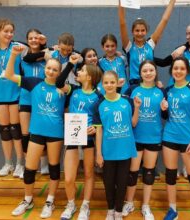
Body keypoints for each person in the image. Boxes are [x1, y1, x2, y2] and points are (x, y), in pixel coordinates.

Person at [6, 45, 69, 218]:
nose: (51, 71)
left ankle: (50, 201)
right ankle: (27, 199)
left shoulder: (65, 89)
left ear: (59, 72)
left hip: (55, 133)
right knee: (30, 168)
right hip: (37, 132)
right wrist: (13, 55)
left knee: (54, 168)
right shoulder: (34, 83)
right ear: (45, 68)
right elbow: (10, 75)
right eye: (49, 68)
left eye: (55, 70)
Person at [57, 55, 103, 220]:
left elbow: (101, 120)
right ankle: (71, 204)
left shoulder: (98, 96)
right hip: (72, 136)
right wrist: (70, 63)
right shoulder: (74, 90)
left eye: (82, 70)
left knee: (89, 174)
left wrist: (94, 128)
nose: (79, 72)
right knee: (69, 177)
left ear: (89, 76)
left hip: (88, 139)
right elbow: (58, 82)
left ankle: (85, 205)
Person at [161, 57, 190, 220]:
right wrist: (163, 109)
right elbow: (165, 116)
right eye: (175, 68)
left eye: (181, 68)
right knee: (170, 175)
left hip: (188, 140)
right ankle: (172, 210)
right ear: (171, 71)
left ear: (187, 71)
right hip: (169, 137)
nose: (178, 71)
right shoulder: (168, 91)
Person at [122, 60, 166, 220]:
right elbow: (123, 108)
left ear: (155, 72)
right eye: (145, 71)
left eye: (151, 70)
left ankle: (146, 205)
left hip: (153, 137)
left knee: (148, 172)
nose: (148, 73)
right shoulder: (133, 90)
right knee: (132, 173)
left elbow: (166, 115)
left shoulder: (161, 91)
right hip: (135, 137)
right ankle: (129, 202)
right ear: (140, 73)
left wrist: (165, 109)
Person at [94, 70, 141, 220]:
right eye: (106, 82)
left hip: (125, 150)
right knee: (108, 182)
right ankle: (110, 210)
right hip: (108, 151)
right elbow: (99, 131)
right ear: (102, 84)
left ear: (117, 83)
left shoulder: (127, 101)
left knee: (122, 183)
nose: (109, 85)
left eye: (112, 82)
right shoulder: (99, 104)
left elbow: (133, 123)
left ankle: (119, 211)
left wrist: (138, 107)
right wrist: (99, 153)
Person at [0, 18, 24, 177]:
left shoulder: (19, 47)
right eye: (5, 31)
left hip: (15, 94)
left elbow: (39, 49)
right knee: (5, 131)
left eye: (11, 31)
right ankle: (8, 163)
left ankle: (20, 164)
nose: (9, 34)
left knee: (16, 130)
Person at [118, 0, 176, 85]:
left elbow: (164, 20)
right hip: (135, 85)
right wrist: (121, 3)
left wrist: (172, 2)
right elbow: (122, 23)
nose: (140, 33)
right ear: (132, 32)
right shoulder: (129, 46)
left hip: (151, 83)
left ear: (146, 31)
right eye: (137, 31)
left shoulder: (150, 44)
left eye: (143, 30)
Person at [19, 29, 49, 176]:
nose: (33, 40)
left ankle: (44, 163)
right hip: (25, 98)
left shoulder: (48, 56)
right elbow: (29, 58)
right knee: (25, 134)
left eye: (36, 38)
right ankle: (28, 164)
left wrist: (46, 46)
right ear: (27, 40)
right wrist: (46, 49)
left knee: (41, 132)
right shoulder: (24, 55)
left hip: (42, 100)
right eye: (30, 38)